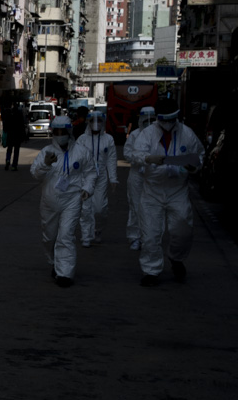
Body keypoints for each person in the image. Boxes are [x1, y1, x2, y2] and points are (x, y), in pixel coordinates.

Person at [128, 98, 205, 286]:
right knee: (151, 233)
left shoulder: (187, 134)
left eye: (172, 119)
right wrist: (148, 158)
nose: (168, 124)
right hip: (152, 190)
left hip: (177, 190)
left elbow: (200, 156)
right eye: (164, 120)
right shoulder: (147, 134)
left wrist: (193, 165)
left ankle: (176, 258)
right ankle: (151, 271)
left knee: (182, 229)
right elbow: (134, 154)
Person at [30, 115, 96, 288]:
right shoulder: (46, 152)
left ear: (69, 131)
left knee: (66, 235)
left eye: (63, 131)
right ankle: (54, 262)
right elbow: (35, 174)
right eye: (56, 131)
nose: (60, 134)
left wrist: (87, 188)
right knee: (49, 236)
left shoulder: (81, 151)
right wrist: (45, 164)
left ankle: (65, 273)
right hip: (49, 201)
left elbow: (91, 172)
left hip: (72, 200)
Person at [75, 111, 119, 247]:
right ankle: (86, 236)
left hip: (101, 177)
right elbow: (76, 158)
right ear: (88, 122)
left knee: (100, 208)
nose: (96, 124)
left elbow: (111, 159)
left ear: (103, 122)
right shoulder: (82, 139)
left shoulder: (108, 139)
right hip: (85, 176)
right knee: (85, 208)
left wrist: (113, 178)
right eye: (93, 121)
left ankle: (98, 230)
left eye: (99, 120)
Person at [123, 107, 156, 250]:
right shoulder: (135, 135)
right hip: (137, 175)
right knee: (136, 207)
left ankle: (149, 236)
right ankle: (135, 237)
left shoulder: (159, 135)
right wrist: (141, 160)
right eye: (146, 120)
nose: (149, 123)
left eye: (152, 119)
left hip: (153, 175)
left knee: (153, 208)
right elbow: (127, 152)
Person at [2, 103, 26, 171]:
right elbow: (22, 126)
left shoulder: (9, 114)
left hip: (10, 135)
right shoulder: (19, 114)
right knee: (16, 151)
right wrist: (23, 136)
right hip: (17, 135)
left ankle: (7, 160)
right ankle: (14, 165)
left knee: (9, 149)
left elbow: (5, 126)